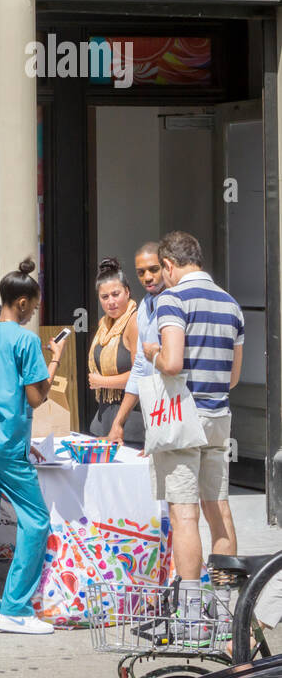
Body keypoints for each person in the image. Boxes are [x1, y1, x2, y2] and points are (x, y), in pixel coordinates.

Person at [0, 259, 62, 636]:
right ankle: (16, 607)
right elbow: (36, 398)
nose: (35, 312)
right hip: (4, 440)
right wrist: (54, 362)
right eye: (34, 306)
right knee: (36, 520)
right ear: (21, 303)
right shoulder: (26, 341)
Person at [149, 231, 243, 595]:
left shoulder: (172, 299)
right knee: (218, 508)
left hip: (183, 417)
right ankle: (225, 605)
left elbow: (171, 363)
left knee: (184, 513)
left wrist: (150, 353)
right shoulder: (231, 304)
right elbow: (233, 378)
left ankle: (189, 609)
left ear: (169, 265)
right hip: (219, 416)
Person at [110, 242, 165, 449]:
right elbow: (140, 366)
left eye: (153, 269)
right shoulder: (143, 307)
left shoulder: (177, 302)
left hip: (177, 408)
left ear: (166, 266)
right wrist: (118, 422)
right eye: (141, 272)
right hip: (154, 411)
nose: (147, 277)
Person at [85, 257, 143, 447]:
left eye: (115, 294)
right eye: (105, 297)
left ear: (127, 292)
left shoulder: (134, 322)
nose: (111, 301)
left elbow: (140, 373)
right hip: (101, 421)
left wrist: (102, 381)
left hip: (130, 424)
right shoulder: (105, 324)